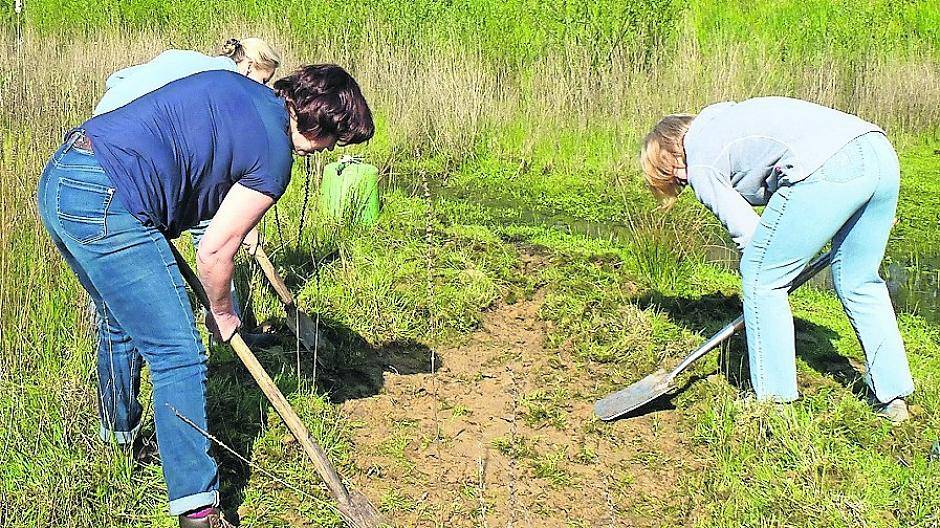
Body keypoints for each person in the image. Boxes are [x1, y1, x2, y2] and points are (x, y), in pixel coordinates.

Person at [37, 64, 373, 527]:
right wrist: (222, 311)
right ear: (320, 120)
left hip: (65, 178)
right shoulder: (276, 154)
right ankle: (198, 509)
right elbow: (215, 250)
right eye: (335, 138)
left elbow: (193, 174)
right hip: (112, 200)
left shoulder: (239, 88)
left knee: (121, 324)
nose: (331, 149)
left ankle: (119, 441)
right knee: (179, 352)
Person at [640, 96, 915, 422]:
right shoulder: (727, 122)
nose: (681, 183)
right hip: (878, 155)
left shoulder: (700, 159)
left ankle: (774, 403)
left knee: (760, 277)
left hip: (828, 167)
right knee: (859, 282)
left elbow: (751, 236)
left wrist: (767, 272)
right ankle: (893, 396)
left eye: (673, 178)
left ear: (671, 157)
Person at [92, 37, 283, 335]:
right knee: (212, 238)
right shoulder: (225, 85)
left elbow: (117, 79)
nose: (264, 90)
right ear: (247, 66)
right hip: (131, 158)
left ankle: (114, 328)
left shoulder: (188, 60)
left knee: (109, 258)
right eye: (263, 79)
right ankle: (228, 329)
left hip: (99, 141)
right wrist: (236, 222)